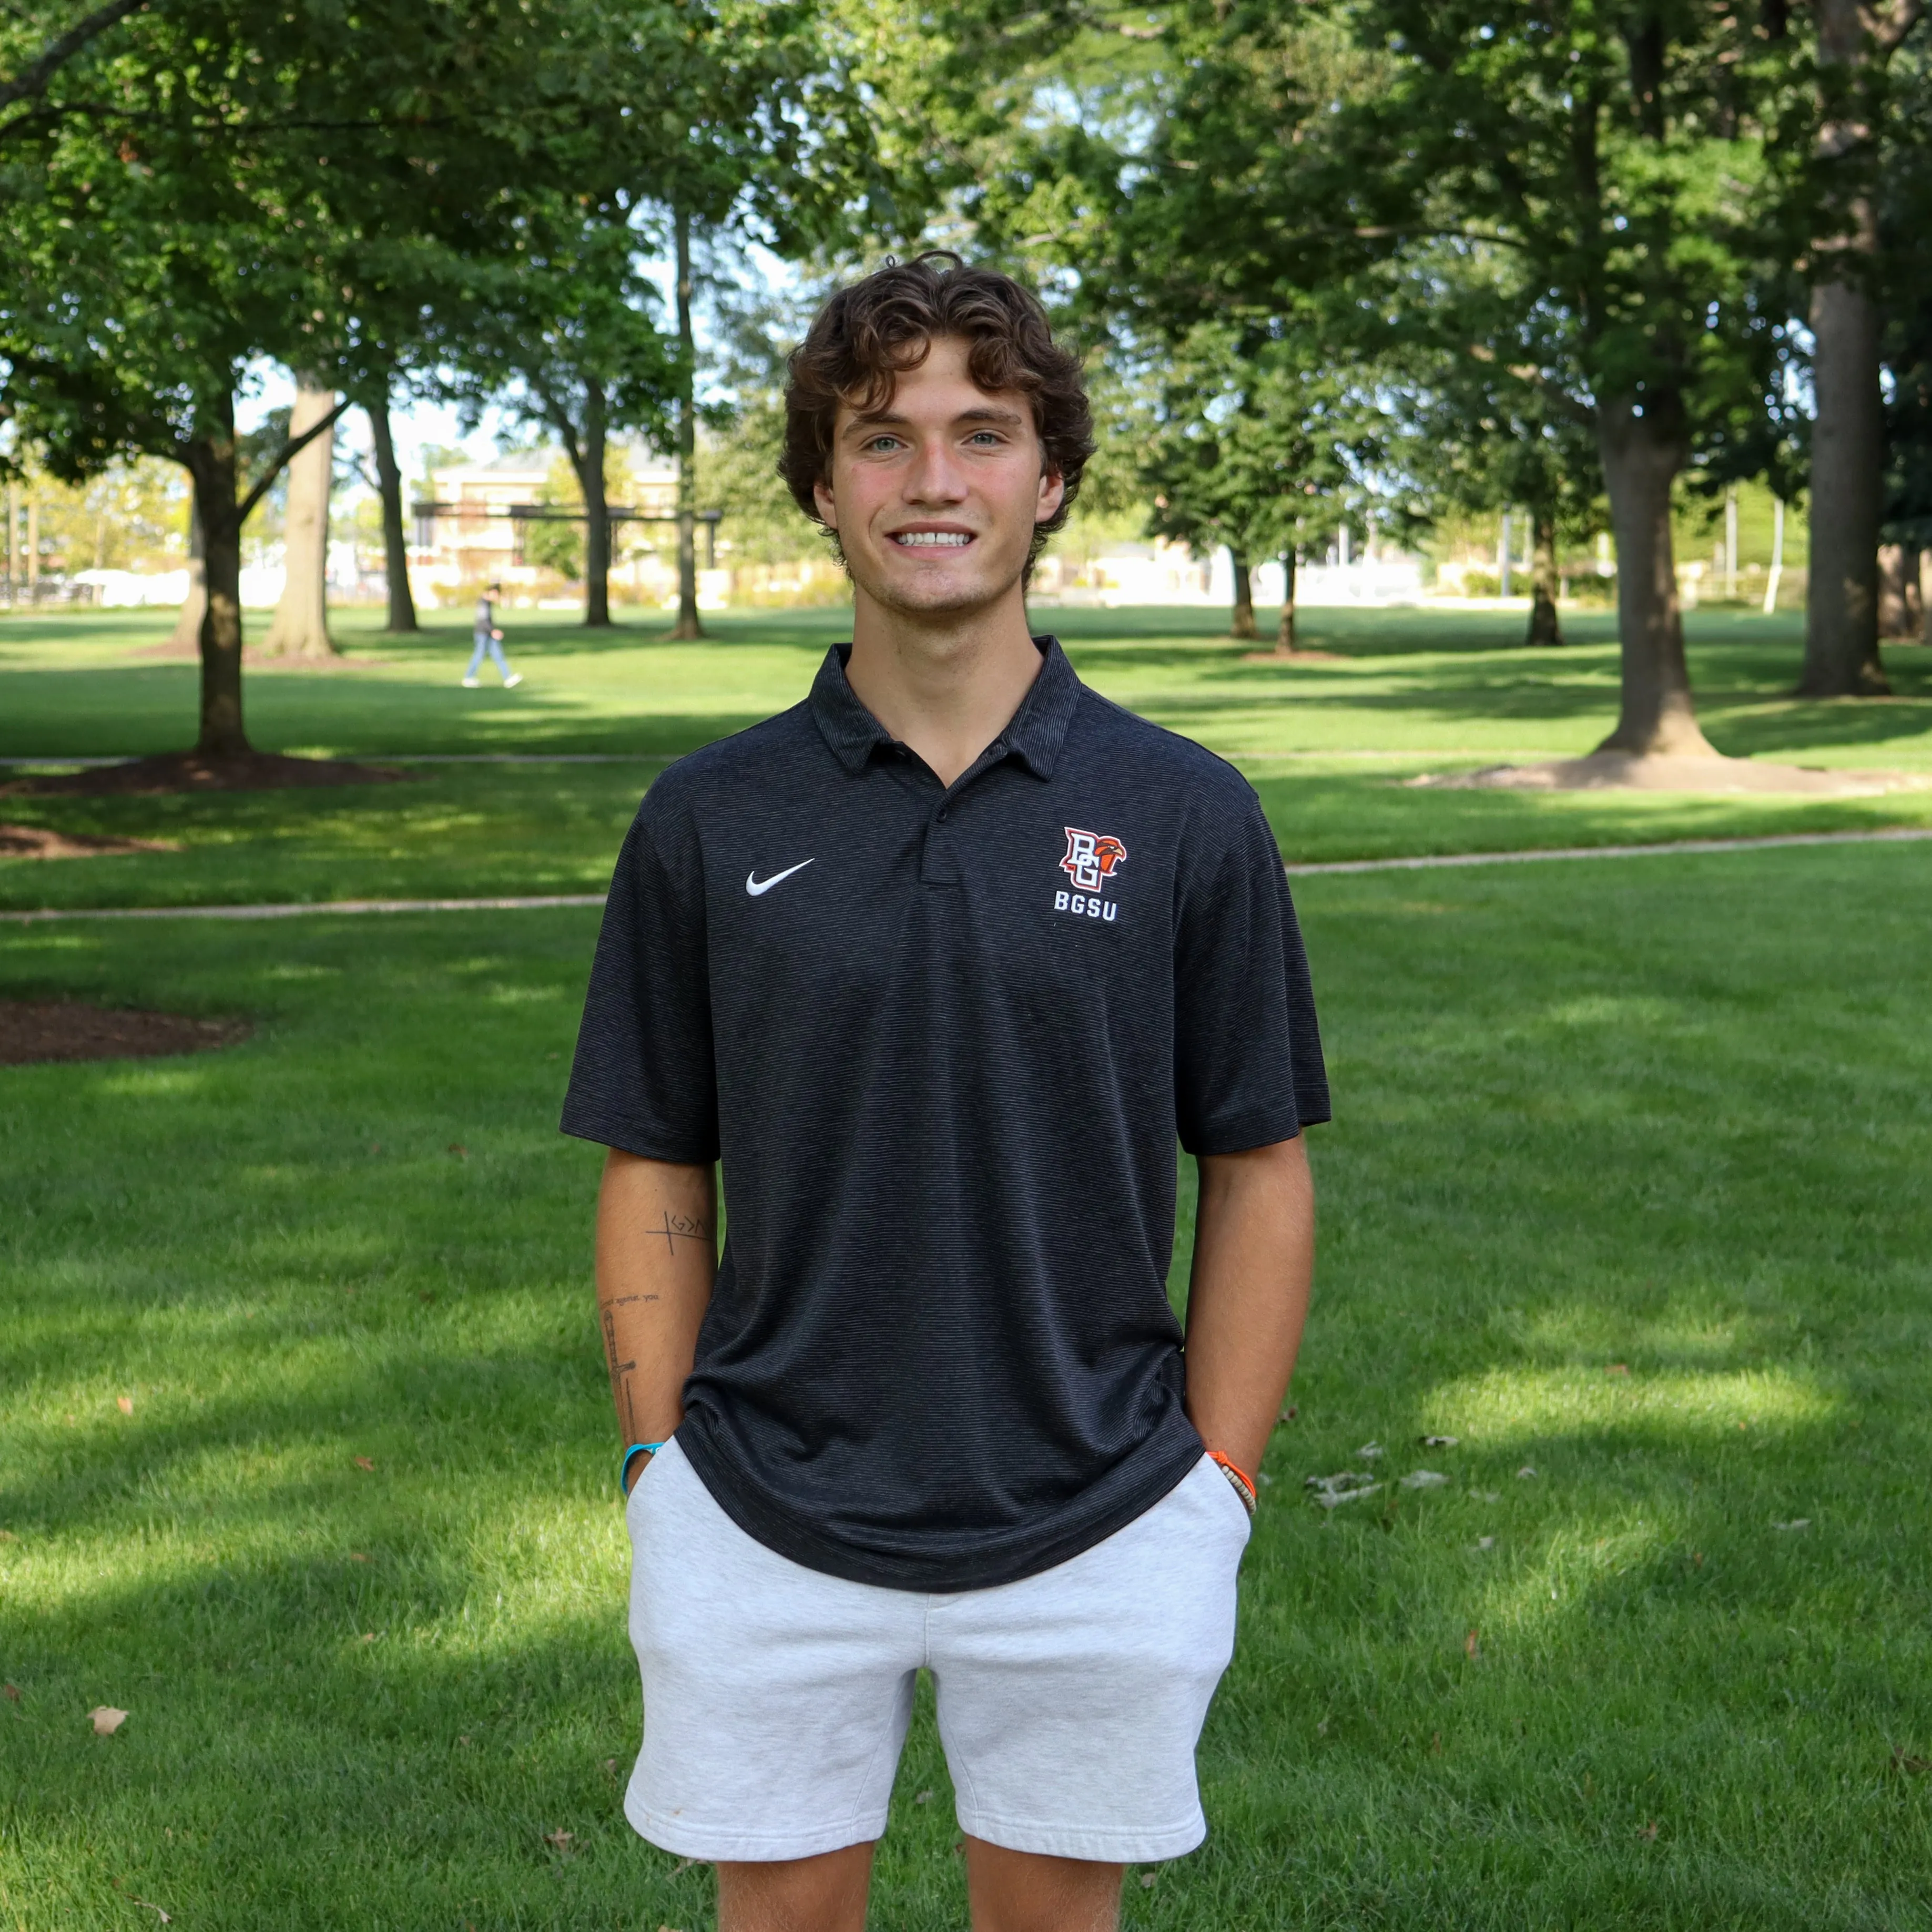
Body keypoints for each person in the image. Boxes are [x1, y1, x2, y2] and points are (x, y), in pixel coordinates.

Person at [561, 253, 1327, 1932]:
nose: (932, 481)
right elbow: (656, 1161)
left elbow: (1257, 1163)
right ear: (822, 487)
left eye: (980, 434)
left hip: (1105, 1503)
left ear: (1049, 479)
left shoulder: (1184, 812)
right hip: (759, 1505)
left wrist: (1221, 1484)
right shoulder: (708, 816)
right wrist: (655, 1463)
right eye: (882, 437)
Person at [463, 581, 521, 687]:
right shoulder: (483, 603)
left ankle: (508, 678)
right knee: (479, 655)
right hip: (483, 634)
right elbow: (483, 620)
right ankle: (469, 677)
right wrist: (492, 631)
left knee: (498, 655)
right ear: (491, 592)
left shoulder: (487, 603)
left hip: (488, 634)